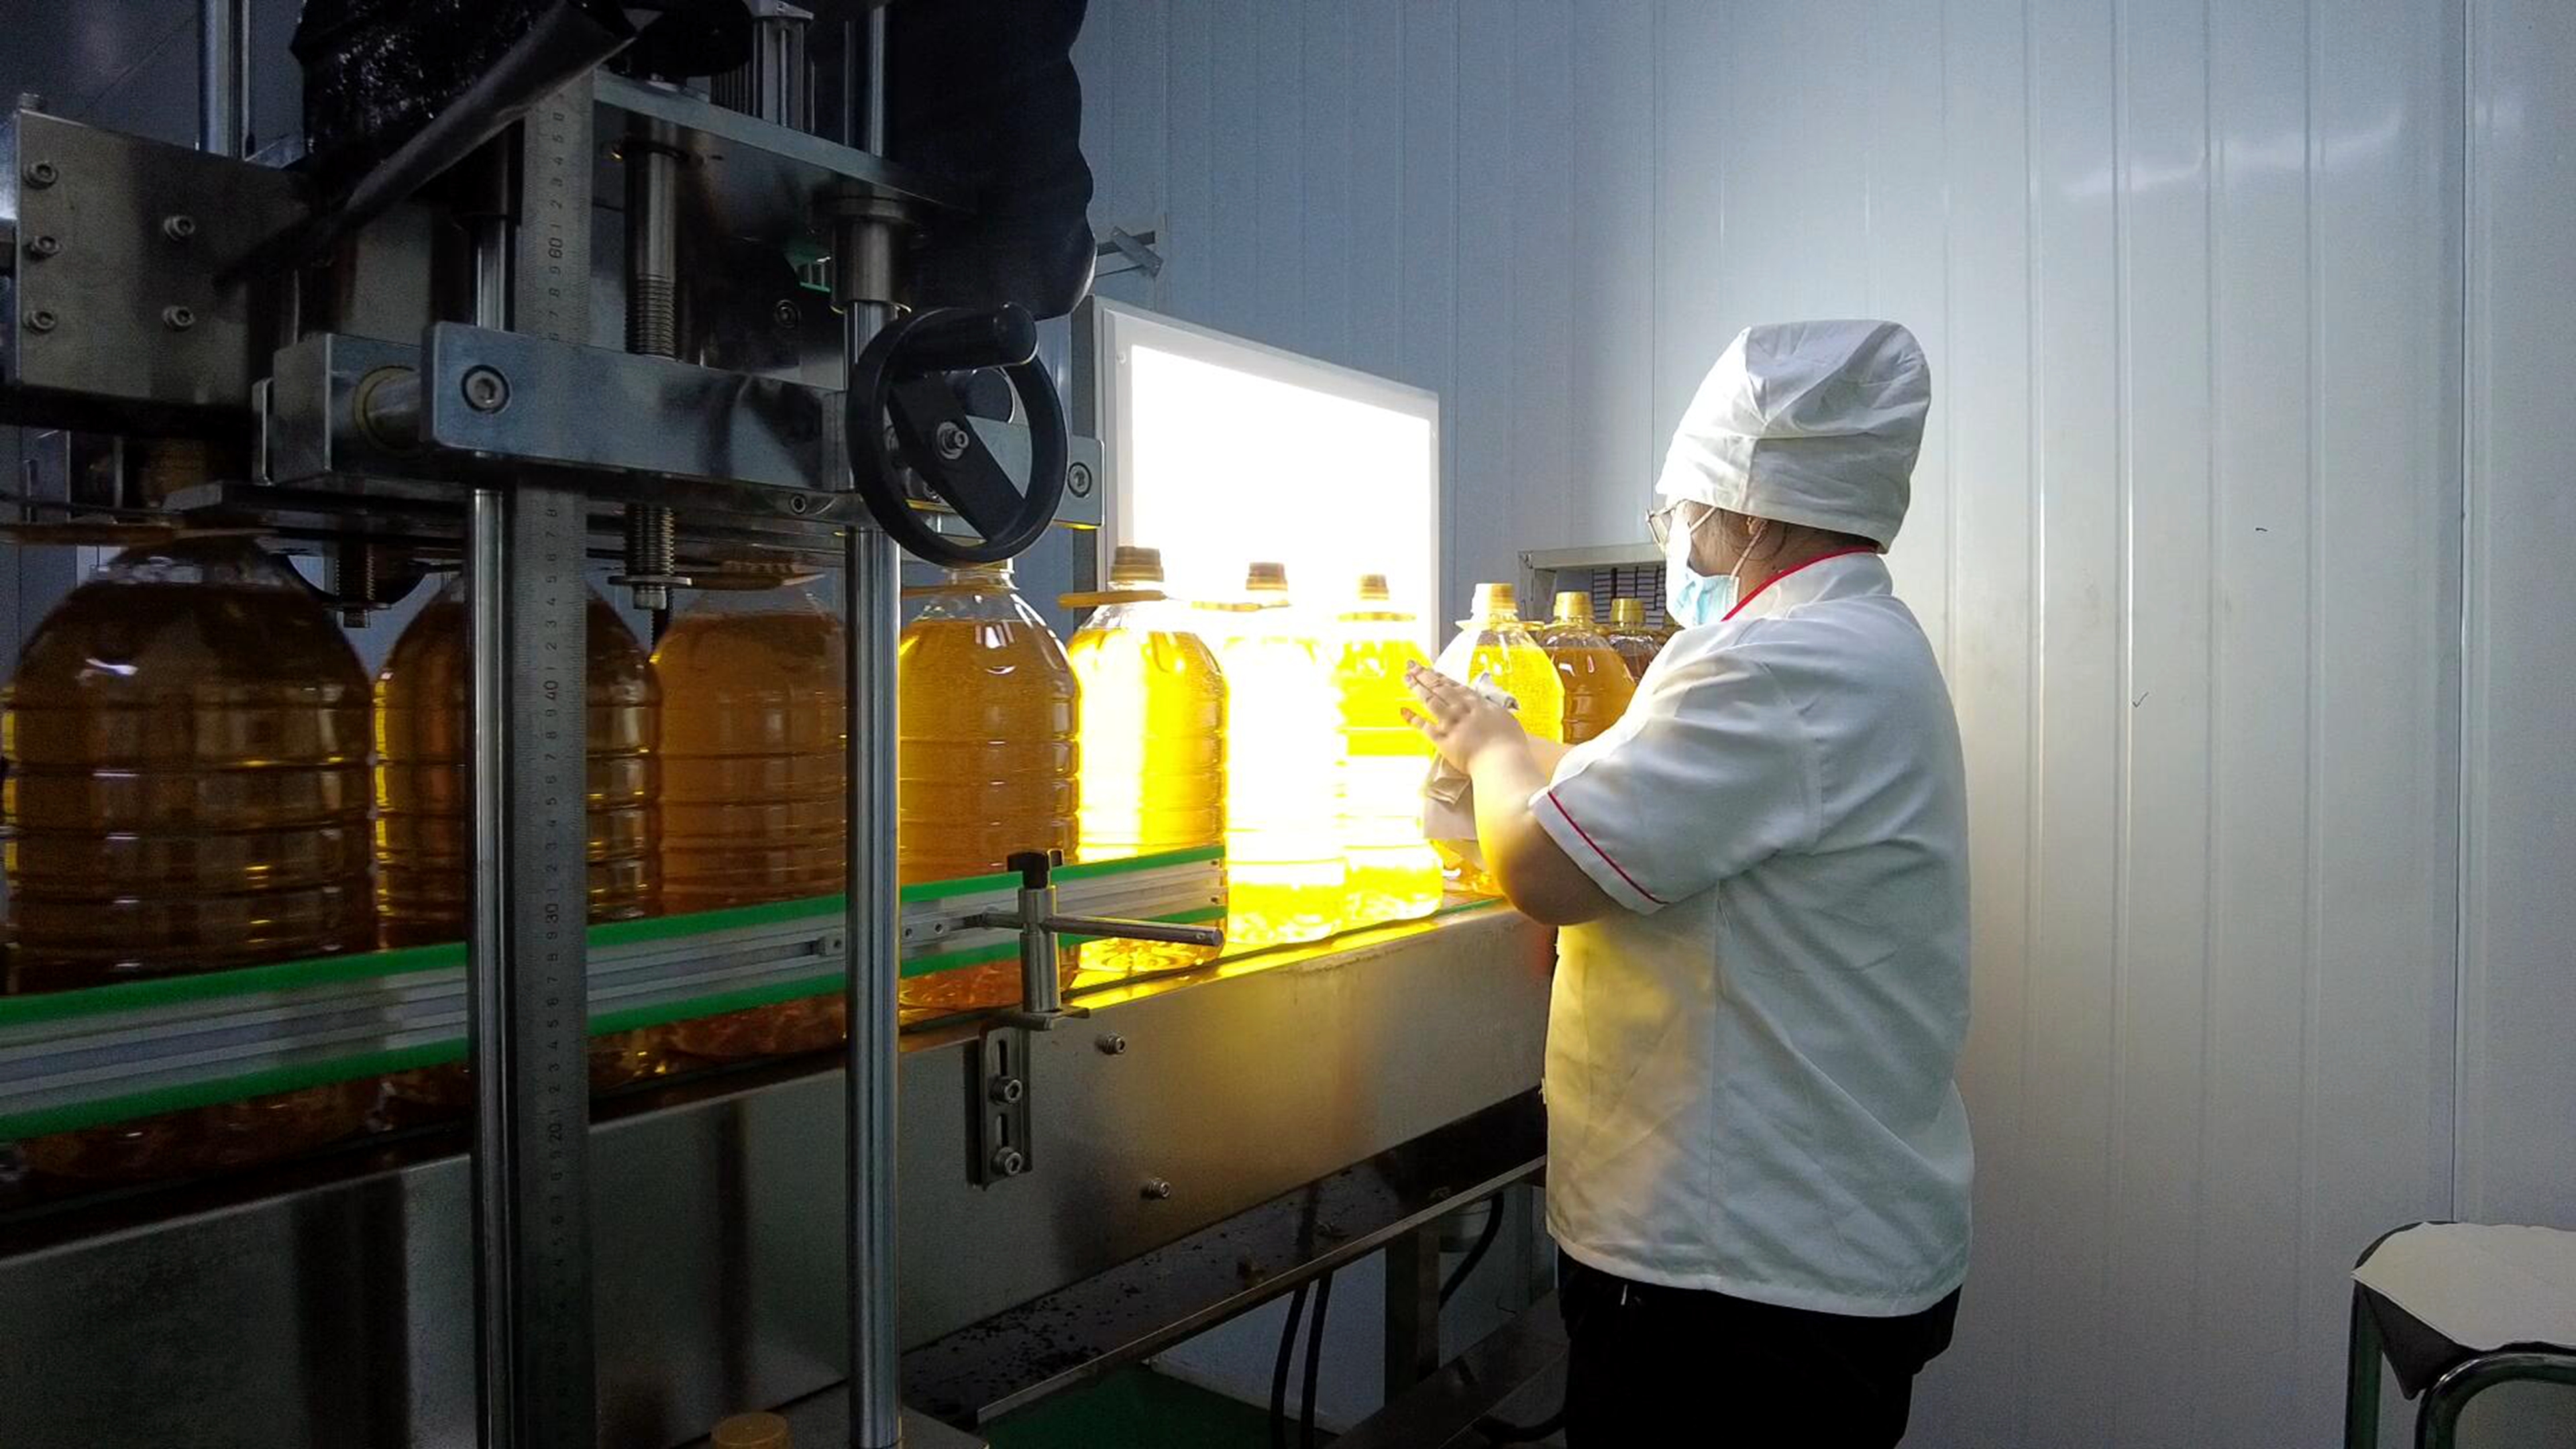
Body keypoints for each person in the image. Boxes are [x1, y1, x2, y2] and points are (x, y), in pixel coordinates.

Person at [1404, 320, 1970, 1447]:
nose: (1681, 541)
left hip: (1740, 1283)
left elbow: (1541, 868)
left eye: (1686, 514)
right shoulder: (1859, 643)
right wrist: (1519, 758)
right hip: (1813, 1247)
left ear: (1751, 512)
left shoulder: (1774, 665)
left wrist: (1492, 747)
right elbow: (1646, 784)